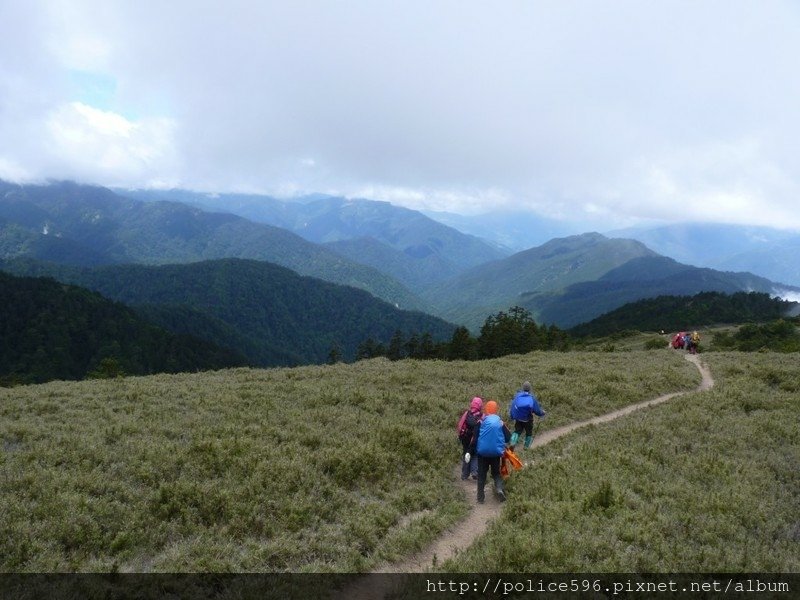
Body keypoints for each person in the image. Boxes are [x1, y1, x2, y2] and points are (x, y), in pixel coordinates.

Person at [469, 400, 511, 504]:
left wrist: (470, 451)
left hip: (482, 454)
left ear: (486, 409)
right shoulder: (500, 422)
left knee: (482, 475)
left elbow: (475, 437)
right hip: (496, 453)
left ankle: (480, 498)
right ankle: (499, 489)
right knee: (496, 473)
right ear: (496, 409)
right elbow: (508, 438)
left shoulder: (481, 421)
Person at [509, 381, 546, 450]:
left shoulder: (518, 395)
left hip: (518, 418)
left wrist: (512, 416)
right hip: (528, 419)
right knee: (529, 433)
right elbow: (537, 410)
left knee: (517, 431)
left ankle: (512, 442)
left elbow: (512, 406)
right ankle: (526, 448)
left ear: (523, 388)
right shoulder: (532, 398)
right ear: (530, 389)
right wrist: (542, 413)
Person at [458, 396, 483, 480]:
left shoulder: (467, 413)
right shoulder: (481, 416)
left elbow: (460, 425)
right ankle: (474, 472)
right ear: (480, 406)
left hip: (465, 438)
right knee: (475, 454)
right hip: (475, 439)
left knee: (466, 453)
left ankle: (464, 474)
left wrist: (460, 435)